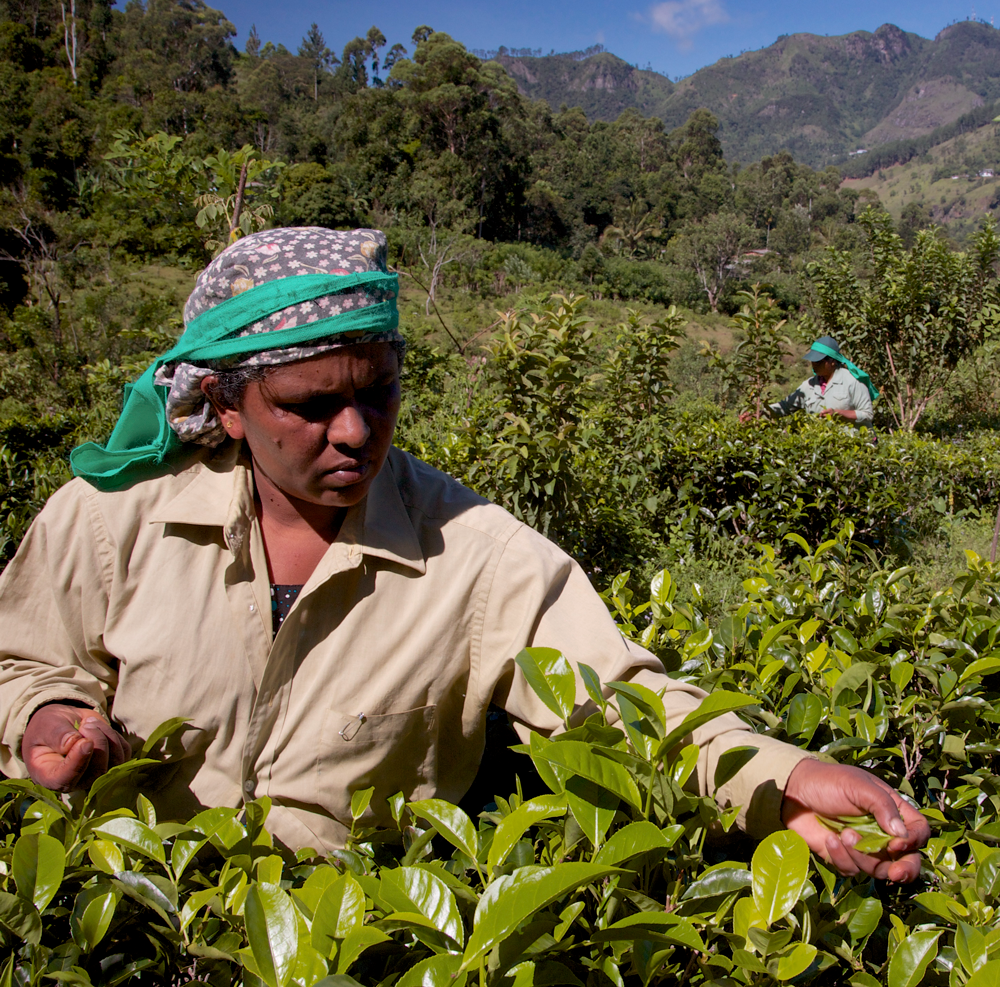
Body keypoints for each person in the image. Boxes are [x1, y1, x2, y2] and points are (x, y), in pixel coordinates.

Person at [0, 229, 927, 882]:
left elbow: (622, 704)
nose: (355, 432)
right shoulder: (107, 523)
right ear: (227, 404)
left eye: (378, 391)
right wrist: (44, 715)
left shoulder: (476, 553)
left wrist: (782, 781)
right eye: (310, 405)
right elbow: (21, 657)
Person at [762, 335, 877, 428]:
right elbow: (785, 406)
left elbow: (867, 414)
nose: (814, 364)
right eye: (813, 361)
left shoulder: (852, 382)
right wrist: (759, 413)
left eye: (819, 361)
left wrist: (839, 414)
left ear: (832, 361)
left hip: (854, 445)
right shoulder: (809, 386)